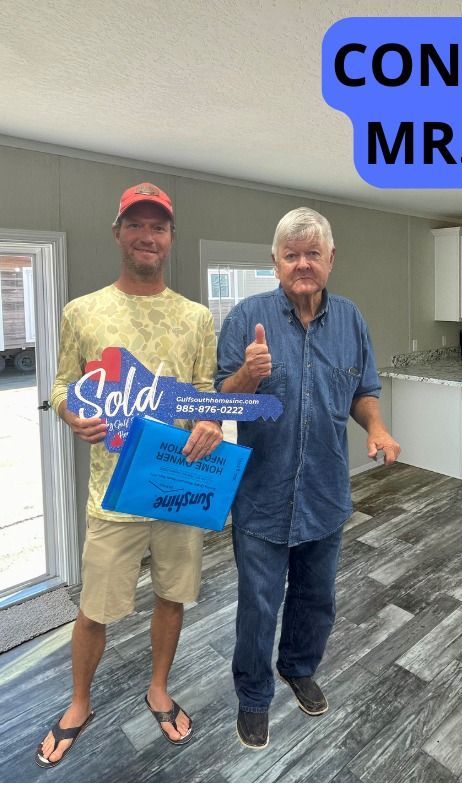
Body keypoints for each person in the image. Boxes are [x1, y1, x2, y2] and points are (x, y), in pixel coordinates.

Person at [35, 183, 223, 768]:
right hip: (111, 495)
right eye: (136, 224)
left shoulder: (196, 317)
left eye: (159, 227)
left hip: (177, 488)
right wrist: (71, 412)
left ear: (170, 238)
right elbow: (61, 387)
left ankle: (159, 687)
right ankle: (79, 701)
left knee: (173, 597)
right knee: (95, 607)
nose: (148, 236)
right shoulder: (82, 312)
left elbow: (204, 393)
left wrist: (211, 420)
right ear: (118, 232)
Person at [216, 207, 399, 749]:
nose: (302, 264)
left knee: (316, 600)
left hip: (324, 490)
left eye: (312, 254)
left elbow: (363, 392)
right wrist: (248, 375)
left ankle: (298, 667)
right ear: (274, 262)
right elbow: (218, 401)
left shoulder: (351, 320)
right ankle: (253, 697)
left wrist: (378, 428)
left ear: (330, 260)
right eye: (291, 255)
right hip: (261, 496)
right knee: (259, 605)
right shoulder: (245, 318)